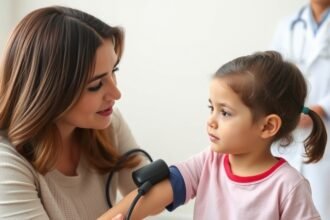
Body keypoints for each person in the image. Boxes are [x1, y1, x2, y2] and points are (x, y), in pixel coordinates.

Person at [100, 51, 327, 220]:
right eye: (212, 108)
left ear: (267, 127)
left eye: (225, 113)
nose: (211, 121)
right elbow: (156, 194)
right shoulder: (209, 162)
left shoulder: (288, 187)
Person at [0, 6, 146, 219]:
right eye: (96, 84)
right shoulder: (6, 166)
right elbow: (148, 196)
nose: (116, 93)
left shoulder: (107, 123)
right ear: (49, 93)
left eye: (113, 71)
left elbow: (157, 192)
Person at [271, 1, 330, 218]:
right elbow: (273, 72)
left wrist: (321, 108)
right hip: (289, 128)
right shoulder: (287, 26)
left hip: (326, 130)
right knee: (283, 199)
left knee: (323, 205)